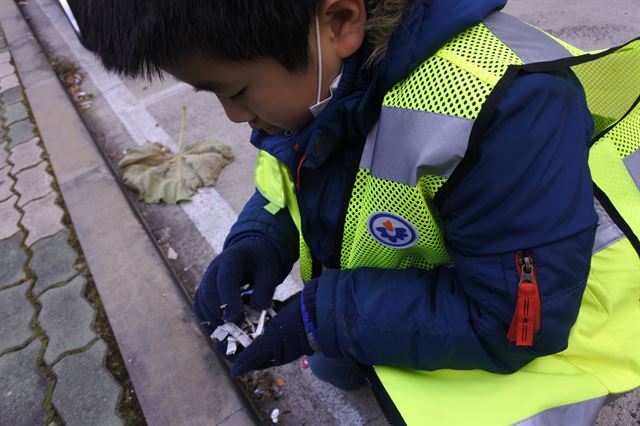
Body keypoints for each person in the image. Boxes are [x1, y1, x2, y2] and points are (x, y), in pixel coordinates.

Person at [79, 0, 639, 424]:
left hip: (537, 328)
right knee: (334, 362)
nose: (233, 117)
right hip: (392, 291)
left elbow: (515, 321)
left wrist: (331, 317)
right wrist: (258, 239)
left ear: (340, 22)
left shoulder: (508, 105)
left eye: (238, 90)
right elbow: (306, 179)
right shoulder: (327, 81)